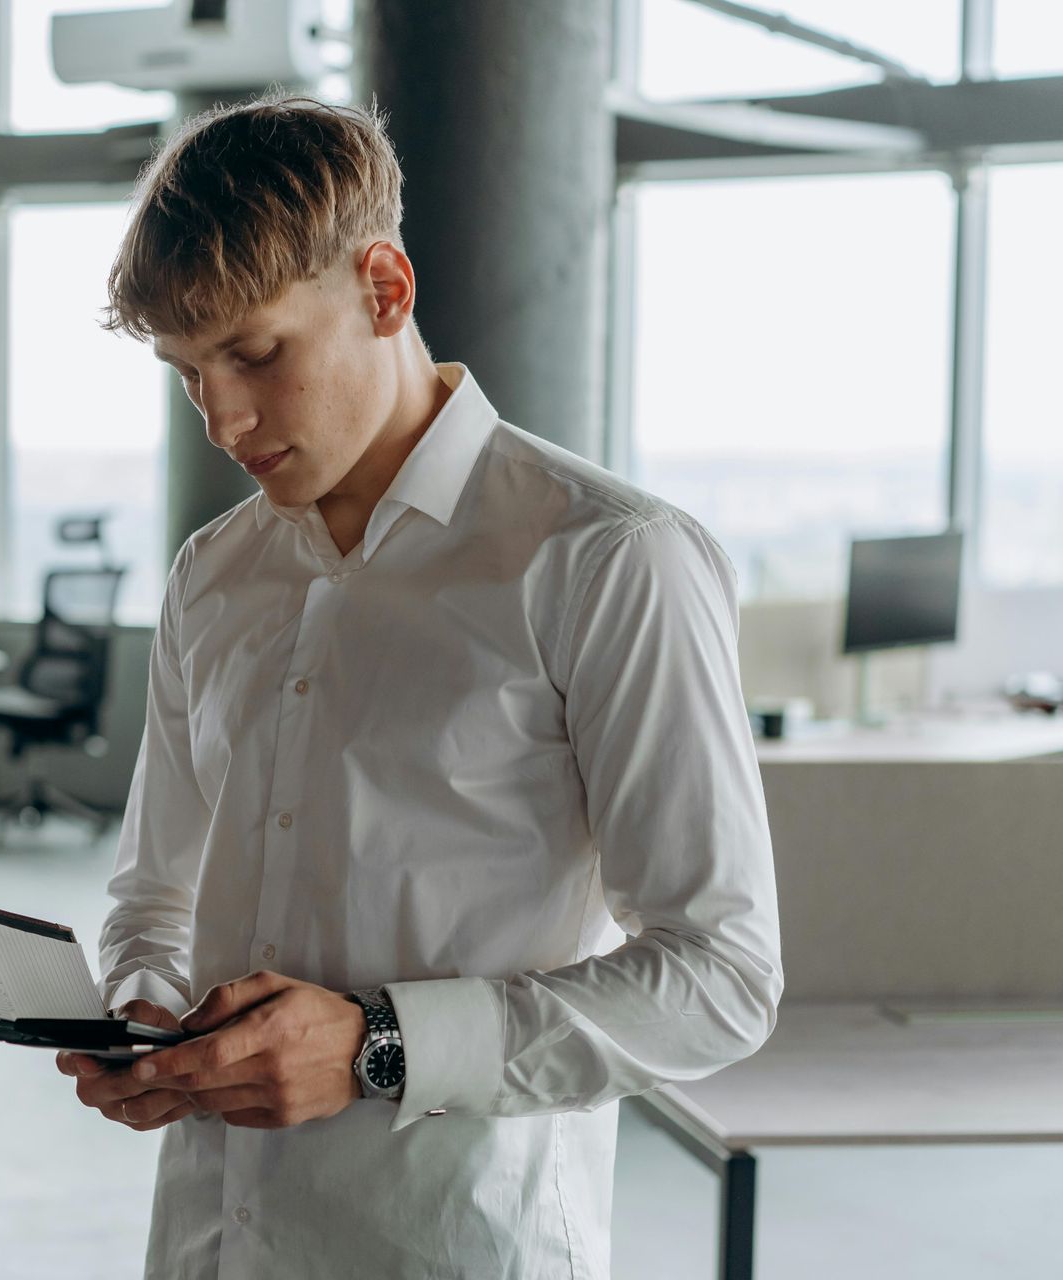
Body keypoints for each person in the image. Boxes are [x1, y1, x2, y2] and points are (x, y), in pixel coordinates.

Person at [56, 96, 782, 1277]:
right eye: (190, 374)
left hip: (454, 1245)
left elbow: (720, 974)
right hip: (208, 1242)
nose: (223, 418)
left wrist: (376, 1045)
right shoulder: (213, 572)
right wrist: (143, 1015)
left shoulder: (606, 556)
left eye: (255, 353)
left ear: (384, 288)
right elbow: (154, 894)